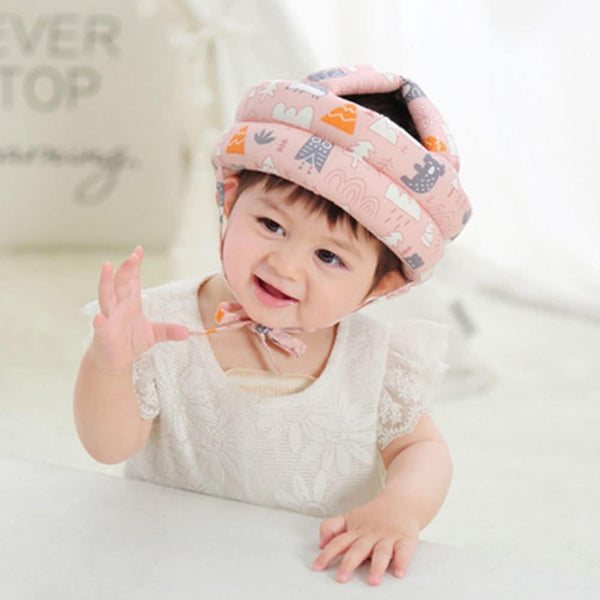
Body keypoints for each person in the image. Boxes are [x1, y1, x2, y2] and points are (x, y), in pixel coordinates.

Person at [74, 65, 471, 586]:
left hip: (311, 576)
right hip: (171, 569)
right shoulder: (159, 327)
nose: (285, 266)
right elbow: (109, 447)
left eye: (329, 256)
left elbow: (421, 451)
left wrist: (400, 507)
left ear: (381, 285)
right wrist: (110, 367)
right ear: (230, 197)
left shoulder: (374, 360)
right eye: (271, 224)